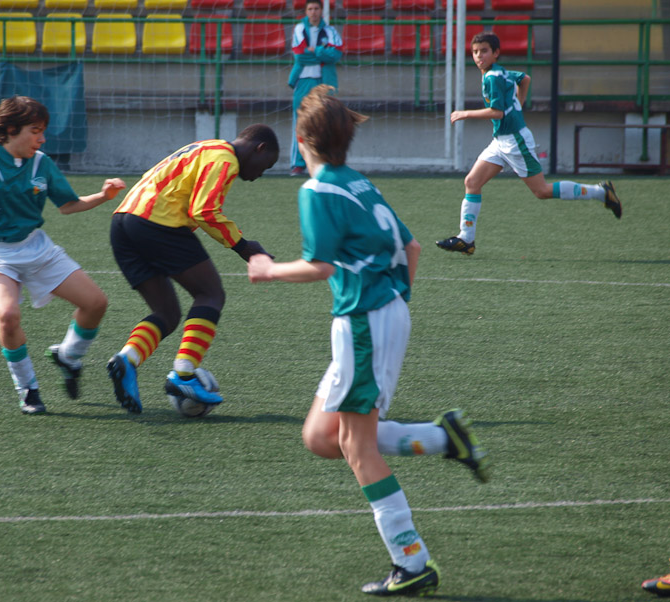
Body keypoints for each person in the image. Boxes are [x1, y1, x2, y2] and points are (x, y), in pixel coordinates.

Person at [247, 84, 488, 597]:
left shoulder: (318, 190)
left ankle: (412, 560)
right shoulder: (360, 183)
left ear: (301, 137)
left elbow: (321, 266)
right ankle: (446, 438)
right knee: (321, 437)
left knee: (356, 447)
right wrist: (395, 300)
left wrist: (267, 271)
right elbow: (413, 245)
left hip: (363, 321)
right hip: (379, 315)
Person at [0, 95, 125, 414]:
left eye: (43, 131)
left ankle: (69, 356)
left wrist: (104, 196)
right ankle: (28, 389)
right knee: (8, 316)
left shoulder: (41, 163)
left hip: (37, 248)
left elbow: (68, 205)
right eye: (35, 131)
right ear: (10, 130)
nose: (42, 138)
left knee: (96, 303)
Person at [107, 124, 279, 414]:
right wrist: (243, 247)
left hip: (123, 223)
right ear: (258, 148)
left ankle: (127, 359)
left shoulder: (206, 146)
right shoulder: (225, 159)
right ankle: (184, 374)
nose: (262, 173)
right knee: (210, 294)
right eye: (268, 165)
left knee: (167, 313)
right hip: (157, 222)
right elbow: (204, 211)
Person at [436, 31, 623, 256]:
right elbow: (525, 78)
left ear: (496, 53)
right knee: (472, 181)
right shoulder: (497, 72)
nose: (478, 56)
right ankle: (466, 239)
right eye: (475, 52)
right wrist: (520, 102)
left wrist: (465, 114)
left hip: (515, 141)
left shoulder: (493, 76)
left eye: (484, 51)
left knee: (542, 191)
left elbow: (497, 112)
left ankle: (601, 192)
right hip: (501, 141)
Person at [288, 0, 342, 176]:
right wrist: (322, 55)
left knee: (325, 120)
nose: (313, 12)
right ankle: (298, 163)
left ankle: (324, 161)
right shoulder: (299, 29)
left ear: (321, 10)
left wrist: (315, 50)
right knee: (301, 121)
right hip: (304, 80)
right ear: (306, 11)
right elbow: (300, 56)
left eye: (316, 8)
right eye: (310, 9)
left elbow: (336, 54)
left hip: (323, 80)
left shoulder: (330, 31)